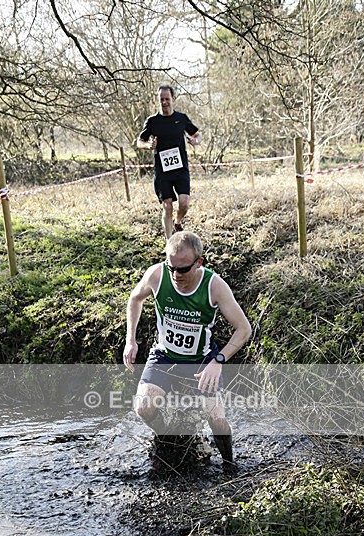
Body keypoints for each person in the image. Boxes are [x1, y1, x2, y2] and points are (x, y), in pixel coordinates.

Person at [123, 231, 252, 467]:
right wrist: (130, 339)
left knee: (217, 418)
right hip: (164, 356)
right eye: (171, 266)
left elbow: (244, 329)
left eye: (182, 269)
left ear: (198, 262)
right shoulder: (157, 275)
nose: (175, 275)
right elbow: (135, 299)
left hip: (202, 361)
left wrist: (218, 361)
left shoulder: (214, 286)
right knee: (143, 408)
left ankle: (229, 465)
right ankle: (173, 440)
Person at [137, 85, 201, 240]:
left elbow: (197, 135)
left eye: (167, 99)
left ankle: (177, 222)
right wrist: (148, 146)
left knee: (184, 204)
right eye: (161, 99)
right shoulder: (152, 121)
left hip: (181, 168)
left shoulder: (181, 118)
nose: (164, 102)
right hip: (162, 171)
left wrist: (194, 141)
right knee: (168, 205)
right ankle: (169, 241)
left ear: (173, 99)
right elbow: (140, 141)